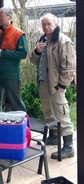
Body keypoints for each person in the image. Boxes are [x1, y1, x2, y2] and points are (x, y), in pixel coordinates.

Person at [30, 13, 76, 159]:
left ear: (55, 24)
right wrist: (37, 51)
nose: (45, 27)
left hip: (56, 85)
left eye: (48, 24)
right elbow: (33, 60)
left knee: (61, 114)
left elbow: (69, 66)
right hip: (44, 83)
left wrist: (62, 85)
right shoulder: (43, 40)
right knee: (48, 112)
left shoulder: (63, 41)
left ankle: (68, 148)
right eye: (43, 24)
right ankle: (53, 137)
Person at [0, 7, 28, 112]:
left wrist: (3, 53)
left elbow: (23, 53)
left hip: (12, 74)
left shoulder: (19, 34)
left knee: (15, 101)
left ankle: (22, 126)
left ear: (10, 17)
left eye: (1, 17)